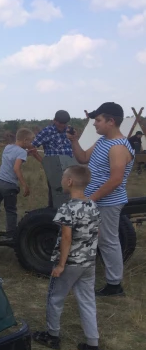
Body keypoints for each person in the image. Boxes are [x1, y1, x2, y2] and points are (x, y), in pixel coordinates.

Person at [32, 165, 104, 350]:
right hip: (88, 262)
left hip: (70, 263)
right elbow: (97, 232)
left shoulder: (68, 207)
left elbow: (66, 236)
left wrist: (61, 264)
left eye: (63, 178)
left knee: (55, 297)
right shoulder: (92, 205)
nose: (62, 181)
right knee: (88, 300)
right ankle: (93, 344)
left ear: (70, 182)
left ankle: (52, 336)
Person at [68, 102, 134, 297]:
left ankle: (115, 285)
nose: (95, 124)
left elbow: (116, 180)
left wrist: (91, 199)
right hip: (96, 200)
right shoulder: (104, 141)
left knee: (108, 241)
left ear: (111, 121)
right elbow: (82, 158)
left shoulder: (118, 147)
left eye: (98, 120)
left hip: (108, 202)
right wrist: (74, 140)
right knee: (98, 239)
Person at [0, 128, 35, 240]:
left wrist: (27, 153)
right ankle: (10, 235)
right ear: (25, 140)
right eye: (31, 141)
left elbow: (13, 155)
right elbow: (16, 168)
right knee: (10, 210)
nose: (31, 143)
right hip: (9, 185)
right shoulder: (21, 152)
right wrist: (24, 185)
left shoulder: (8, 147)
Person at [30, 110, 75, 207]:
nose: (62, 125)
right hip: (55, 169)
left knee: (70, 195)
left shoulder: (69, 131)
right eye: (60, 123)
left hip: (70, 168)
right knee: (56, 194)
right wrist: (43, 162)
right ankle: (52, 217)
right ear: (54, 120)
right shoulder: (47, 131)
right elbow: (31, 147)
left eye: (64, 123)